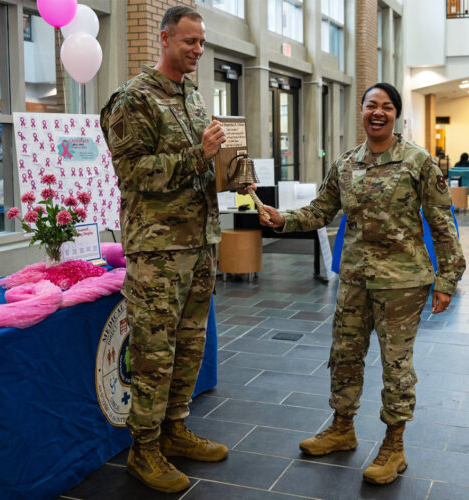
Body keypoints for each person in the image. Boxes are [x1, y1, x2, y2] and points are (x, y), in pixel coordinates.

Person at [259, 82, 466, 485]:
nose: (377, 112)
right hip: (354, 279)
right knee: (345, 356)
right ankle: (341, 428)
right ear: (361, 110)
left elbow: (444, 225)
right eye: (371, 105)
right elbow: (321, 209)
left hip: (402, 285)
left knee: (396, 366)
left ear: (397, 115)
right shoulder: (346, 163)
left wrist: (446, 280)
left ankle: (394, 445)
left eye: (386, 107)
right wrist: (284, 219)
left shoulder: (418, 162)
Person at [101, 6, 233, 494]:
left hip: (200, 243)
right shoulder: (131, 100)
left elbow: (200, 167)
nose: (197, 50)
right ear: (164, 39)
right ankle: (144, 447)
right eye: (189, 42)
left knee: (189, 345)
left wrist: (226, 168)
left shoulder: (193, 95)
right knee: (154, 351)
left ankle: (175, 429)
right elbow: (133, 174)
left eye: (201, 42)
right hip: (158, 250)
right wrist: (197, 154)